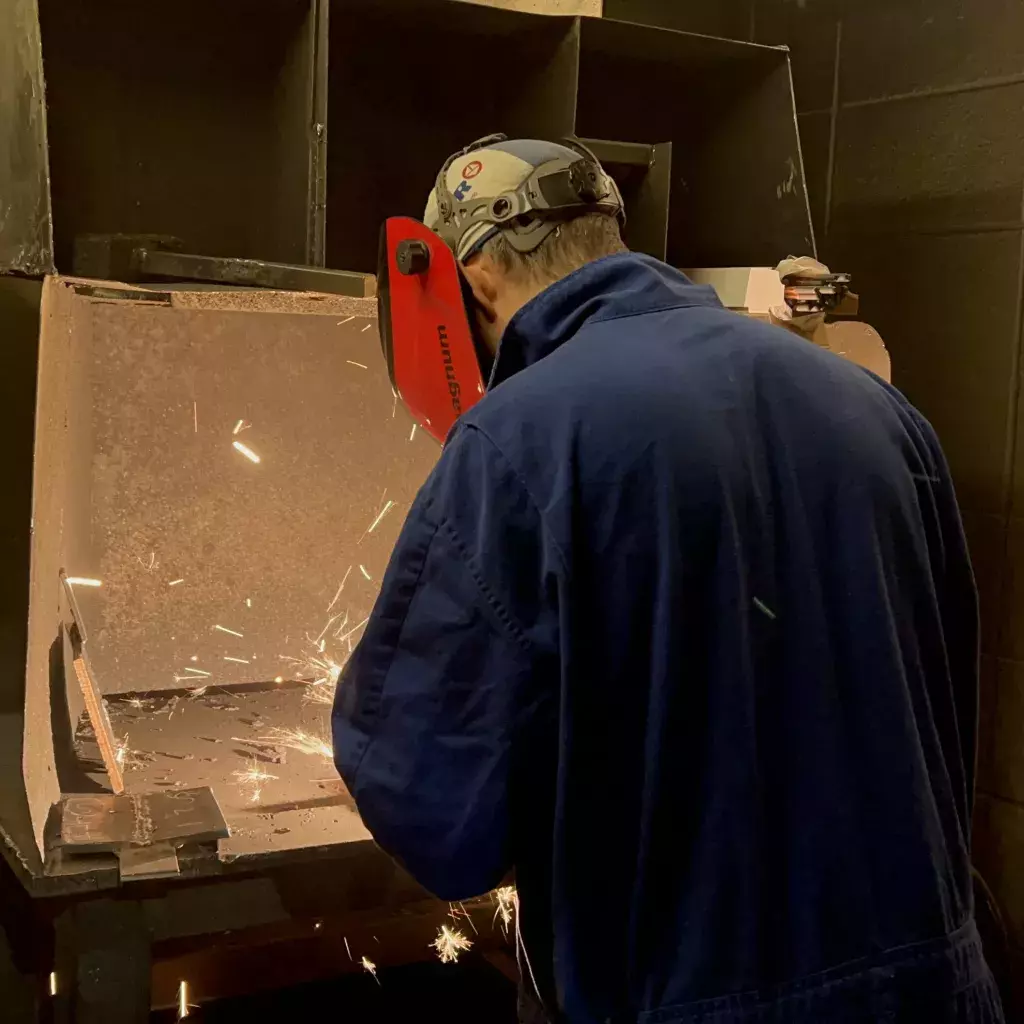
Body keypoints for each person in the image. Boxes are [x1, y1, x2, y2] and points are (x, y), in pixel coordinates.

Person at [333, 136, 1004, 1024]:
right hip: (938, 989)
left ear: (477, 281)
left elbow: (430, 809)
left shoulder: (517, 439)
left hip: (685, 1000)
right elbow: (946, 711)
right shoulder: (879, 410)